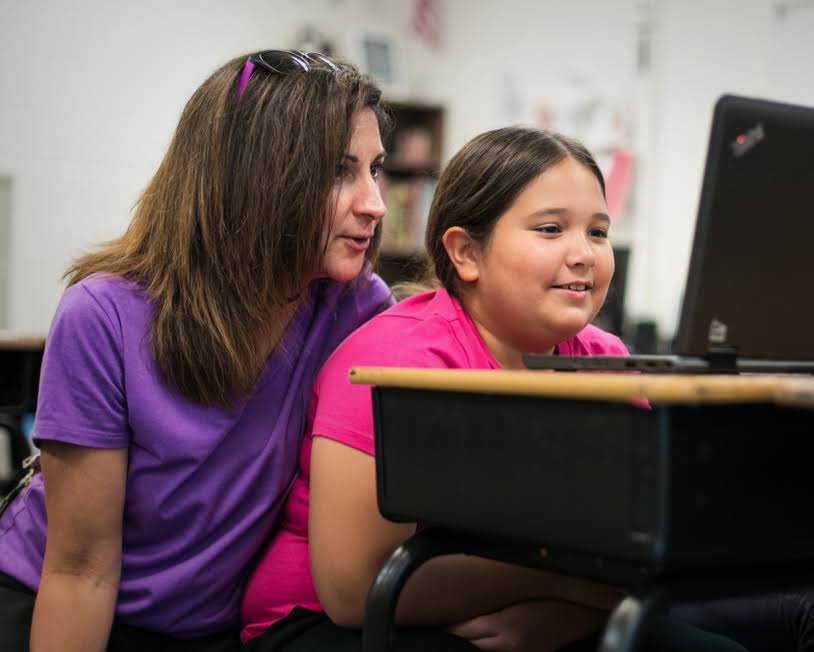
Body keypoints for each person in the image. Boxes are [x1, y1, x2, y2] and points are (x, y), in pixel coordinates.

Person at [239, 127, 749, 652]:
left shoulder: (606, 362)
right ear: (465, 254)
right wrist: (563, 584)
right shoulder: (394, 361)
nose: (584, 254)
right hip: (328, 622)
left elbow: (638, 548)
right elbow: (354, 589)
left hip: (530, 606)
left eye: (598, 232)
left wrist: (565, 616)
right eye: (551, 229)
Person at [0, 49, 393, 652]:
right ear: (258, 175)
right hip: (61, 606)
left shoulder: (356, 306)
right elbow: (80, 572)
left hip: (212, 629)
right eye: (341, 172)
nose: (374, 203)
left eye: (375, 169)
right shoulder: (104, 314)